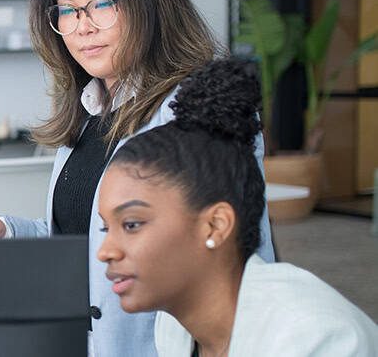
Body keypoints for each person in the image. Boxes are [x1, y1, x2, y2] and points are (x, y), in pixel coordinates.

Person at [0, 0, 275, 355]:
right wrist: (10, 232)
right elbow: (85, 237)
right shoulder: (88, 111)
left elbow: (241, 264)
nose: (82, 26)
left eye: (101, 4)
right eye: (67, 11)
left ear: (152, 3)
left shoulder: (197, 112)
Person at [97, 58, 378, 356]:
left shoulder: (318, 339)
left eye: (131, 224)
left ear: (216, 225)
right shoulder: (174, 325)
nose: (105, 251)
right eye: (106, 228)